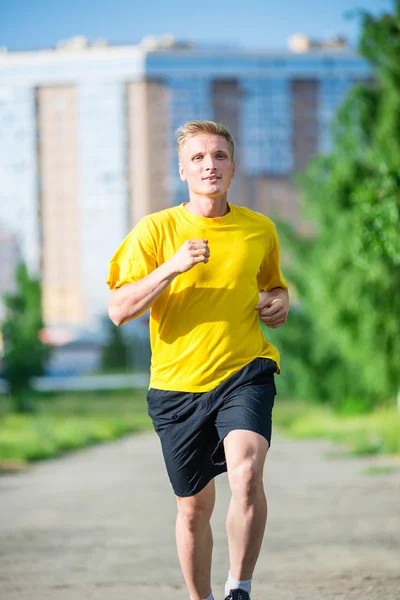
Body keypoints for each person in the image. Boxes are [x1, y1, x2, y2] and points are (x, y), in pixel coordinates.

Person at [107, 120, 289, 600]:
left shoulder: (258, 228)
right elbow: (119, 310)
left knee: (247, 473)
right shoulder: (156, 229)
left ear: (233, 166)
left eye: (219, 156)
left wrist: (278, 301)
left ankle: (239, 588)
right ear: (182, 170)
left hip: (245, 370)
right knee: (193, 507)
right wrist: (171, 267)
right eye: (198, 158)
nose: (210, 165)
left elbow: (273, 288)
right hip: (177, 386)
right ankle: (201, 597)